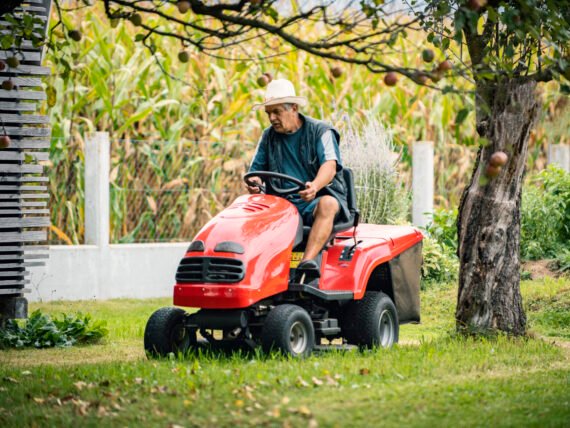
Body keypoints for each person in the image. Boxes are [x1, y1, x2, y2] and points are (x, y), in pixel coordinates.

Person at [247, 79, 349, 271]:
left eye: (277, 112)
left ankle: (307, 263)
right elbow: (255, 172)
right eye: (269, 113)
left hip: (313, 201)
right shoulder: (268, 136)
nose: (271, 118)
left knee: (328, 204)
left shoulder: (321, 131)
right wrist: (254, 183)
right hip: (280, 204)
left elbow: (330, 166)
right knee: (245, 206)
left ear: (293, 108)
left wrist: (315, 186)